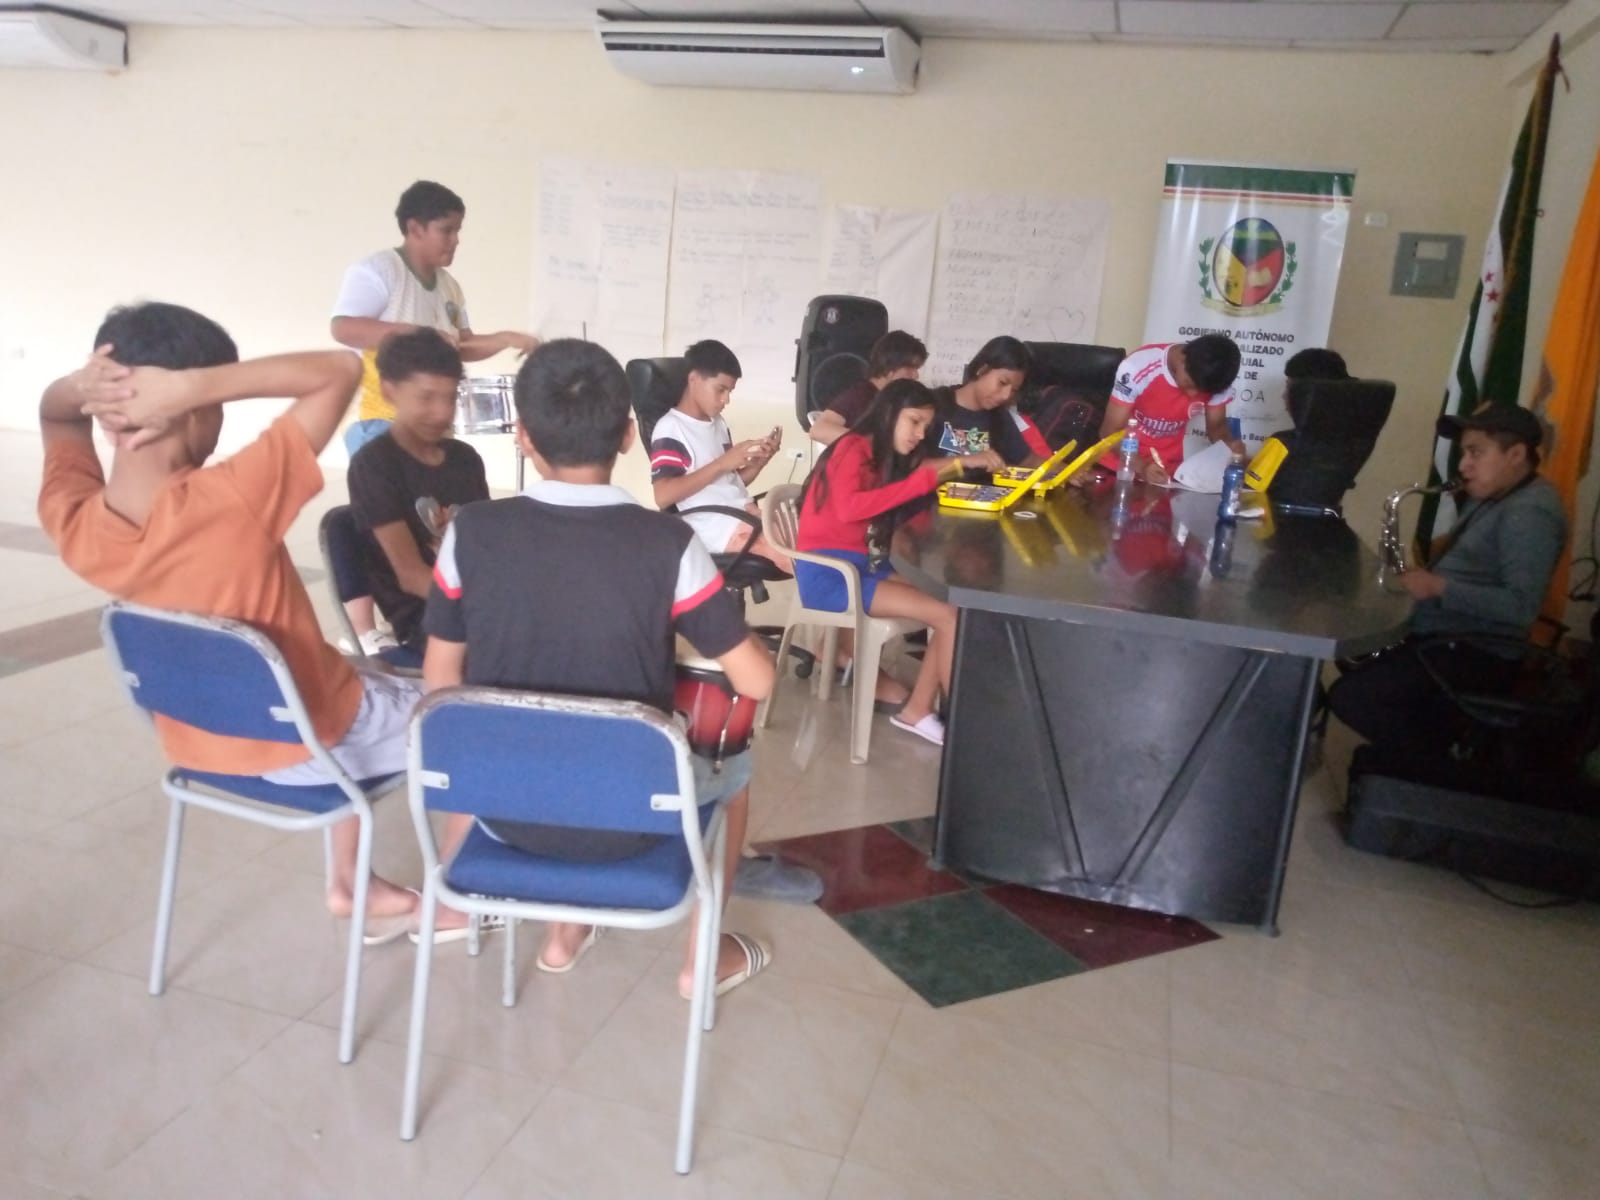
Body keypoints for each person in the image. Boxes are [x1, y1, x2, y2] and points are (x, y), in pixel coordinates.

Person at [38, 302, 423, 943]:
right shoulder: (232, 500)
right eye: (211, 402)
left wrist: (87, 388)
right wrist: (192, 386)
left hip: (200, 737)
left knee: (363, 670)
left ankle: (354, 883)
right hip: (310, 743)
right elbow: (339, 368)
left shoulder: (73, 518)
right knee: (466, 710)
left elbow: (55, 416)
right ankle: (461, 897)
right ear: (190, 407)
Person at [423, 338, 777, 996]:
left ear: (523, 435)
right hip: (631, 821)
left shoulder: (469, 534)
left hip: (501, 811)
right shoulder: (668, 542)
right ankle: (702, 961)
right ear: (628, 437)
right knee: (737, 768)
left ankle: (564, 933)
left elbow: (440, 686)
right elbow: (758, 680)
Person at [332, 181, 539, 653]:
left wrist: (504, 339)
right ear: (414, 227)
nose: (455, 241)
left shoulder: (449, 287)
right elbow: (344, 327)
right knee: (381, 527)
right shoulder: (379, 271)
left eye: (458, 231)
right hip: (381, 422)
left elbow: (458, 344)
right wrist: (417, 333)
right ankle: (364, 633)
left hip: (459, 600)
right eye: (446, 230)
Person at [1326, 403, 1567, 753]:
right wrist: (1421, 577)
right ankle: (1409, 761)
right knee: (1354, 660)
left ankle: (1437, 766)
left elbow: (1521, 608)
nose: (1463, 465)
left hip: (1476, 652)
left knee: (1352, 698)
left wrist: (1438, 586)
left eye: (1476, 452)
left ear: (1515, 454)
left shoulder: (1530, 513)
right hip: (1445, 637)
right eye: (1464, 452)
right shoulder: (1496, 495)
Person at [795, 379, 1005, 746]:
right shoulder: (853, 447)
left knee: (953, 605)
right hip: (831, 575)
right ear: (890, 414)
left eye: (926, 425)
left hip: (857, 565)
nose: (920, 434)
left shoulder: (878, 452)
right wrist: (922, 482)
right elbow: (850, 509)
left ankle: (918, 710)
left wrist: (955, 466)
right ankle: (965, 733)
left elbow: (922, 472)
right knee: (949, 615)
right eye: (914, 422)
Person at [347, 329, 489, 666]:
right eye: (426, 397)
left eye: (451, 398)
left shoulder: (465, 459)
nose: (441, 412)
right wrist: (493, 608)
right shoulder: (374, 465)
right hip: (426, 623)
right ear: (389, 391)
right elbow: (410, 576)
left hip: (475, 606)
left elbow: (487, 547)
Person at [648, 339, 787, 569]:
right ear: (694, 379)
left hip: (743, 514)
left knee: (810, 536)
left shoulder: (719, 424)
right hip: (717, 527)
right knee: (796, 555)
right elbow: (663, 496)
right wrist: (722, 463)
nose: (726, 400)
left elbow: (727, 483)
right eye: (720, 390)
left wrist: (759, 463)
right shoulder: (671, 428)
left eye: (730, 391)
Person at [1096, 334, 1243, 483]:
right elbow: (1109, 432)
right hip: (1119, 469)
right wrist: (1142, 466)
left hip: (1167, 474)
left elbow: (1216, 428)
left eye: (1201, 391)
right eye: (1190, 384)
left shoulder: (1215, 379)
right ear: (1183, 360)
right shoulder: (1137, 367)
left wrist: (1230, 447)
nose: (1193, 394)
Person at [923, 336, 1051, 468]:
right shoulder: (932, 405)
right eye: (1002, 383)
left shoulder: (999, 418)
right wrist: (966, 461)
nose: (1005, 396)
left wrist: (1062, 470)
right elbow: (912, 468)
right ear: (982, 369)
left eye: (1014, 390)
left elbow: (1029, 461)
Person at [808, 330, 928, 447]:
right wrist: (873, 444)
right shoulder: (860, 395)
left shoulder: (894, 399)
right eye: (910, 368)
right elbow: (818, 430)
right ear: (891, 366)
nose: (916, 375)